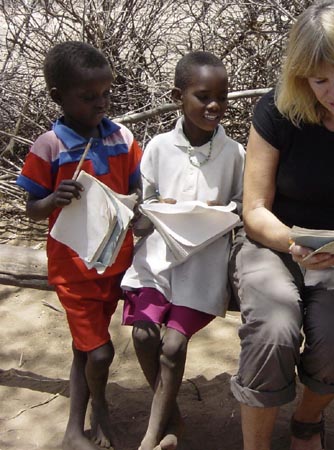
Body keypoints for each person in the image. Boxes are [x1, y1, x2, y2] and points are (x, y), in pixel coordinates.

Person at [228, 1, 334, 449]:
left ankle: (306, 420)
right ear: (302, 77)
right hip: (276, 243)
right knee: (273, 329)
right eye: (320, 80)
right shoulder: (278, 113)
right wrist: (294, 242)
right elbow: (255, 209)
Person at [15, 41, 143, 450]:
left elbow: (138, 186)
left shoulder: (122, 137)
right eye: (88, 97)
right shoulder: (49, 145)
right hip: (73, 270)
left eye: (106, 93)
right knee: (100, 353)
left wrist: (136, 204)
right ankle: (99, 413)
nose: (101, 103)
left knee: (84, 348)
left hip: (116, 264)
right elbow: (32, 206)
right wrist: (53, 199)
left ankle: (74, 426)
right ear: (58, 97)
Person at [120, 50, 245, 450]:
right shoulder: (157, 147)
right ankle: (170, 416)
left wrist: (223, 212)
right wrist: (146, 211)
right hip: (158, 259)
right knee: (142, 335)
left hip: (204, 264)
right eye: (203, 97)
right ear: (178, 96)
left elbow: (244, 207)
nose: (214, 106)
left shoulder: (235, 154)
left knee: (172, 345)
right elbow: (146, 204)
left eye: (222, 98)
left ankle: (153, 435)